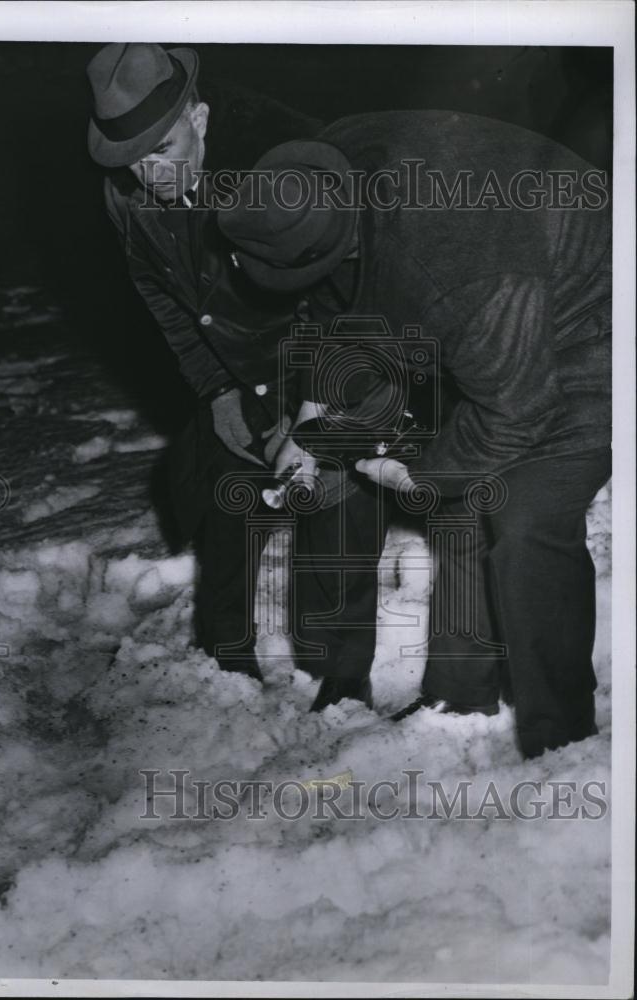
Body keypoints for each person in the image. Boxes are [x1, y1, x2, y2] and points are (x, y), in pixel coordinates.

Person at [217, 111, 612, 758]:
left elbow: (515, 412)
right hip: (497, 311)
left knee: (525, 516)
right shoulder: (324, 165)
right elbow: (337, 307)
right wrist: (313, 421)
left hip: (597, 317)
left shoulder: (462, 271)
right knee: (463, 493)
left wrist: (418, 473)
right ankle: (460, 700)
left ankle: (562, 745)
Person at [86, 44, 387, 710]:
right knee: (225, 491)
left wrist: (311, 409)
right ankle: (228, 659)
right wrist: (217, 389)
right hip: (232, 361)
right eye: (133, 157)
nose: (150, 171)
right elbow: (159, 292)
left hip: (322, 351)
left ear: (200, 114)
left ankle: (344, 677)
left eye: (163, 146)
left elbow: (344, 301)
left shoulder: (285, 167)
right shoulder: (127, 194)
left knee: (337, 491)